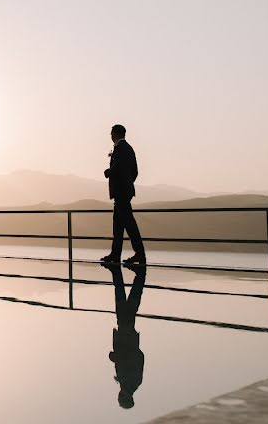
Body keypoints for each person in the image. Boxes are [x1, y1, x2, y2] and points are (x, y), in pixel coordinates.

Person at [103, 262, 147, 409]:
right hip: (126, 334)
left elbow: (138, 357)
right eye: (121, 397)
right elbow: (136, 357)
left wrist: (117, 356)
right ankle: (138, 273)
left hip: (126, 334)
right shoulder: (131, 381)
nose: (120, 395)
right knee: (124, 297)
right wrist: (117, 356)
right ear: (127, 397)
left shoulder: (129, 382)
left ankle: (138, 274)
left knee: (129, 300)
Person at [101, 124, 146, 265]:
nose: (110, 136)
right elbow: (135, 171)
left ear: (115, 134)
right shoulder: (128, 149)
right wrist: (128, 183)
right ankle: (115, 254)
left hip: (121, 192)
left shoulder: (120, 149)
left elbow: (118, 168)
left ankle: (139, 254)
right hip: (124, 191)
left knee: (129, 224)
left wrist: (109, 172)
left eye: (111, 133)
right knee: (118, 225)